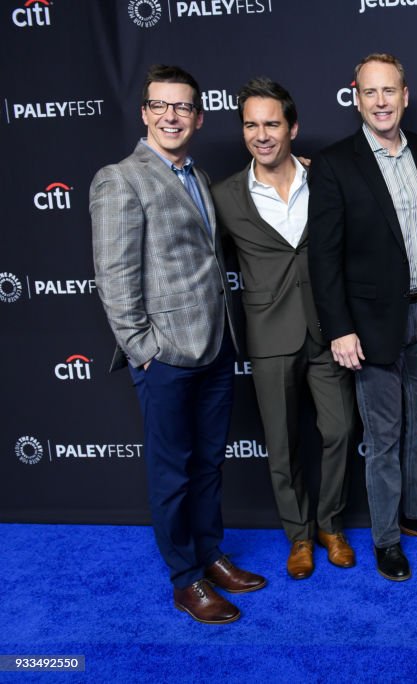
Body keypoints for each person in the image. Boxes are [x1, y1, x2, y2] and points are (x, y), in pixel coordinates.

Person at [90, 64, 265, 624]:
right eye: (160, 106)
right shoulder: (120, 178)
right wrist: (143, 348)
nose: (171, 116)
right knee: (172, 471)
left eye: (183, 107)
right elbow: (114, 276)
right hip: (164, 353)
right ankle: (186, 578)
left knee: (209, 463)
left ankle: (210, 554)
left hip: (215, 347)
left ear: (197, 115)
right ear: (144, 113)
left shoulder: (197, 174)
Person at [308, 53, 417, 583]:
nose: (380, 102)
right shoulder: (335, 163)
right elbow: (323, 257)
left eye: (388, 91)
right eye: (369, 93)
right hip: (370, 325)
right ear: (356, 97)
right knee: (382, 437)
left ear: (404, 94)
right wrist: (339, 328)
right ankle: (386, 539)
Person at [212, 78, 357, 581]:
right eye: (251, 125)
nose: (262, 134)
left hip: (328, 328)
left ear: (292, 127)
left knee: (339, 431)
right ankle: (298, 536)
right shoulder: (224, 196)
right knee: (283, 445)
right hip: (269, 334)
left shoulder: (326, 178)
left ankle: (329, 524)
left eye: (271, 123)